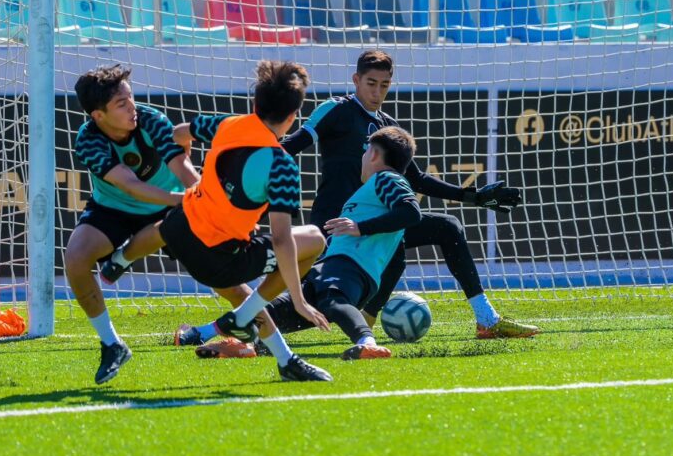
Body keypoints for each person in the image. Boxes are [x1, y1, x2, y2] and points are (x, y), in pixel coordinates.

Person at [281, 50, 540, 339]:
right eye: (370, 82)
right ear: (356, 79)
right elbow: (290, 146)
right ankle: (257, 328)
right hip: (337, 226)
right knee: (323, 298)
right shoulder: (335, 110)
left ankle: (486, 319)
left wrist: (474, 196)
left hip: (373, 223)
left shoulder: (386, 126)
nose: (377, 91)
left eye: (384, 84)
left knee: (445, 229)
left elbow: (415, 178)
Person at [101, 60, 334, 382]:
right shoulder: (282, 166)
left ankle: (118, 260)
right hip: (219, 260)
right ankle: (258, 332)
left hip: (183, 232)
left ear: (255, 104)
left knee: (169, 226)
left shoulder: (229, 124)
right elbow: (282, 240)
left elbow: (178, 133)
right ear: (294, 117)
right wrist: (298, 300)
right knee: (315, 240)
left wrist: (194, 172)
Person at [66, 64, 200, 384]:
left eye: (131, 98)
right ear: (99, 115)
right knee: (76, 258)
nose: (132, 108)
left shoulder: (152, 120)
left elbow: (181, 161)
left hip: (168, 205)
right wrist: (181, 201)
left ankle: (271, 341)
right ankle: (112, 344)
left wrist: (197, 193)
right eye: (122, 104)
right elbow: (130, 185)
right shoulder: (88, 139)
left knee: (216, 264)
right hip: (116, 208)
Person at [255, 125, 422, 360]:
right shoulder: (369, 190)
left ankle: (368, 343)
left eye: (365, 152)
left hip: (351, 268)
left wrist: (360, 227)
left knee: (333, 300)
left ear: (373, 154)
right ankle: (216, 337)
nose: (362, 157)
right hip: (330, 268)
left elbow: (411, 212)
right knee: (271, 310)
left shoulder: (386, 178)